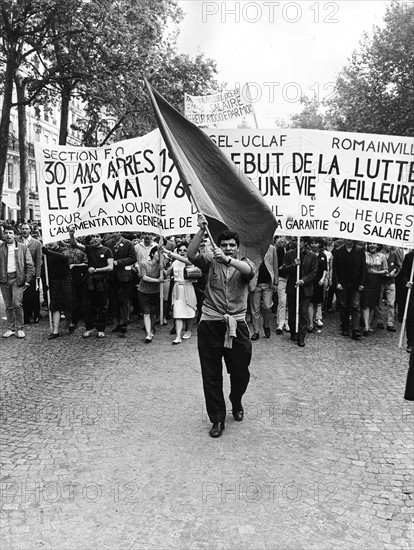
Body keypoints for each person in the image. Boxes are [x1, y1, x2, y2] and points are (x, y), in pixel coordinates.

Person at [187, 214, 256, 438]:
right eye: (224, 245)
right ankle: (217, 418)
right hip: (211, 323)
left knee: (240, 372)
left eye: (232, 246)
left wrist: (227, 260)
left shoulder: (245, 263)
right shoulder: (210, 261)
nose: (227, 248)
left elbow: (248, 272)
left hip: (237, 325)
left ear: (238, 248)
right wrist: (201, 230)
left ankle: (236, 400)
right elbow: (191, 254)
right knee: (211, 375)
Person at [68, 229, 113, 338]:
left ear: (101, 238)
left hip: (101, 282)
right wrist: (71, 234)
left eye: (97, 236)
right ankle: (90, 327)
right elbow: (75, 244)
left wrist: (96, 270)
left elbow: (110, 267)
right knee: (86, 305)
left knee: (102, 306)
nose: (95, 238)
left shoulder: (107, 250)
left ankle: (101, 329)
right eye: (93, 236)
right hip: (89, 282)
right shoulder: (89, 248)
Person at [281, 237, 318, 347]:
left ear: (305, 242)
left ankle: (301, 337)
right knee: (292, 312)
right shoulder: (289, 254)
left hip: (305, 289)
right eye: (295, 240)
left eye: (300, 241)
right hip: (293, 288)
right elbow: (283, 269)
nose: (297, 243)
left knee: (303, 312)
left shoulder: (312, 256)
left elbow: (313, 273)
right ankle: (293, 333)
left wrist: (303, 280)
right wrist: (293, 265)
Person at [0, 225, 34, 338]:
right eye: (6, 233)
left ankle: (20, 328)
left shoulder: (22, 247)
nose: (8, 235)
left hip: (17, 279)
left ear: (15, 235)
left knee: (16, 304)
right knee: (8, 305)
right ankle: (11, 328)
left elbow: (30, 265)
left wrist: (26, 279)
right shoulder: (1, 248)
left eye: (10, 233)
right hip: (4, 279)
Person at [163, 243, 197, 344]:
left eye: (184, 250)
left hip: (188, 288)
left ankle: (188, 329)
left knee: (189, 311)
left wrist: (168, 252)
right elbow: (167, 273)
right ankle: (178, 336)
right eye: (180, 250)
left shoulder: (190, 261)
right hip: (177, 289)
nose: (182, 252)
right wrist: (161, 267)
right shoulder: (175, 263)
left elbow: (184, 260)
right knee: (177, 312)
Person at [332, 238, 366, 340]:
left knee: (355, 306)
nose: (348, 241)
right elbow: (335, 268)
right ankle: (345, 326)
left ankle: (355, 329)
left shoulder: (359, 250)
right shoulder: (338, 250)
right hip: (343, 283)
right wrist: (337, 282)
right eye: (346, 239)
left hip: (356, 283)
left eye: (350, 239)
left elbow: (363, 267)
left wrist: (362, 283)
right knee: (343, 306)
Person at [106, 232, 137, 337]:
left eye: (115, 232)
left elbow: (133, 258)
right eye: (111, 233)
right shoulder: (108, 244)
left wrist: (118, 262)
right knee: (114, 300)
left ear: (120, 233)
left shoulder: (128, 243)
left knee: (123, 299)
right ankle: (118, 322)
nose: (114, 234)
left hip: (124, 276)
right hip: (112, 276)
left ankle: (124, 322)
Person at [42, 242, 73, 339]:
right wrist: (45, 282)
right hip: (53, 280)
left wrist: (48, 252)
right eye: (48, 244)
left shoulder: (64, 249)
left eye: (52, 243)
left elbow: (63, 257)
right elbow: (44, 268)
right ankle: (55, 330)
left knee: (67, 305)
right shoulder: (45, 253)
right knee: (55, 305)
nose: (50, 244)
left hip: (65, 279)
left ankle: (69, 323)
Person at [249, 243, 278, 340]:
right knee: (255, 309)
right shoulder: (252, 248)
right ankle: (256, 331)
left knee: (267, 306)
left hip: (267, 284)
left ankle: (266, 325)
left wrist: (276, 282)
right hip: (255, 283)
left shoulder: (272, 248)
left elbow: (275, 265)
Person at [137, 245, 165, 343]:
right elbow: (144, 277)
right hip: (143, 292)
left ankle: (151, 328)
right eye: (158, 253)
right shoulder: (144, 263)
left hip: (155, 292)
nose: (160, 255)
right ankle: (148, 334)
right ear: (153, 254)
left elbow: (165, 275)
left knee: (153, 313)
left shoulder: (161, 265)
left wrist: (163, 269)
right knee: (146, 312)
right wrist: (157, 280)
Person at [17, 222, 42, 324]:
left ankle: (36, 314)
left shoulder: (36, 243)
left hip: (32, 272)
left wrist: (37, 275)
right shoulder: (16, 241)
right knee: (23, 294)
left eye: (26, 229)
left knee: (34, 294)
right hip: (20, 272)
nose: (24, 230)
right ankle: (26, 316)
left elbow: (39, 260)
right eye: (22, 229)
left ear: (30, 230)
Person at [361, 243, 388, 336]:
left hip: (376, 282)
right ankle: (366, 326)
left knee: (372, 304)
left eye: (374, 244)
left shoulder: (382, 256)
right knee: (365, 304)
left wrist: (375, 272)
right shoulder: (364, 254)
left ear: (377, 246)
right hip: (365, 281)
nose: (372, 246)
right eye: (370, 244)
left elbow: (385, 270)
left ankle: (368, 324)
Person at [375, 244, 401, 332]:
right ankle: (379, 321)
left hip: (391, 281)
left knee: (391, 303)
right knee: (378, 302)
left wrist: (393, 272)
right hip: (380, 281)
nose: (390, 246)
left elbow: (397, 266)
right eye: (388, 244)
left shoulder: (393, 254)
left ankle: (390, 323)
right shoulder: (378, 254)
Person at [308, 238, 328, 332]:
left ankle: (314, 320)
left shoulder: (323, 255)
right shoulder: (308, 254)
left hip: (319, 281)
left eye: (316, 243)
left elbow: (325, 269)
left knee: (316, 303)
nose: (314, 245)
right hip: (310, 281)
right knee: (310, 302)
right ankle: (310, 323)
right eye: (312, 243)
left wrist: (323, 278)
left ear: (319, 244)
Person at [401, 250, 414, 353]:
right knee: (410, 317)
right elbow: (404, 273)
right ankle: (410, 343)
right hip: (412, 291)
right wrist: (406, 282)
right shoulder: (409, 256)